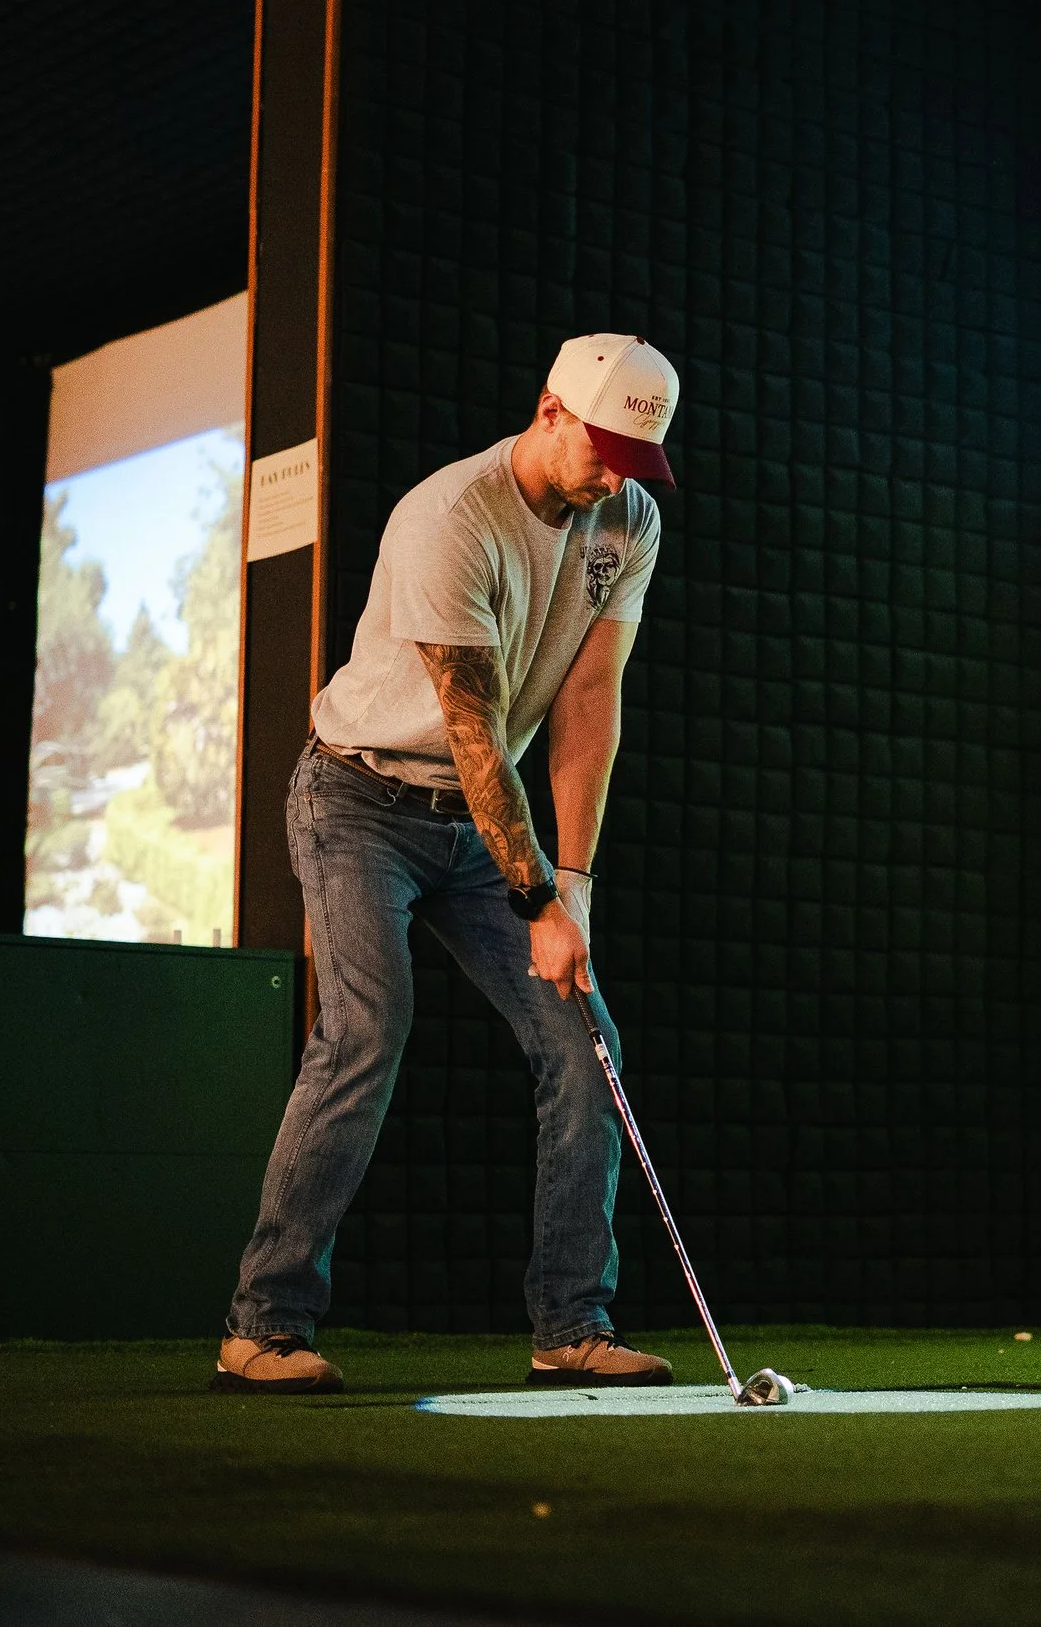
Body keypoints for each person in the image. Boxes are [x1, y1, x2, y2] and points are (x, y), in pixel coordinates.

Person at [214, 334, 681, 1394]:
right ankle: (263, 1324)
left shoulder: (628, 518)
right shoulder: (449, 517)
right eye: (601, 449)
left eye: (634, 460)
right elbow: (475, 735)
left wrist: (574, 892)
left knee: (585, 1042)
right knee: (366, 1028)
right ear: (549, 410)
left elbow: (589, 703)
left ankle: (571, 1324)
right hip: (358, 798)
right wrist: (536, 898)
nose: (613, 477)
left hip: (480, 821)